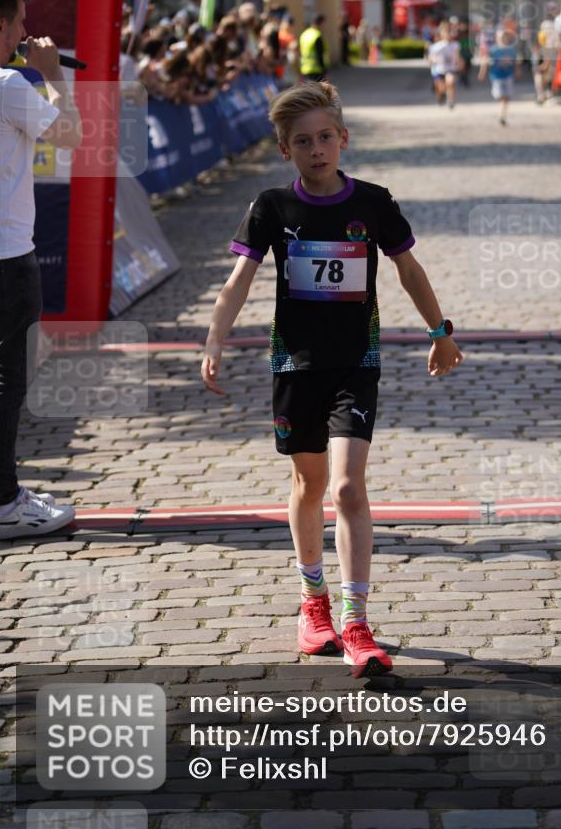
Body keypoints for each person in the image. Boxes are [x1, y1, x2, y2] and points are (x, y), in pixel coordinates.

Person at [200, 81, 462, 677]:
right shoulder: (271, 207)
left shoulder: (373, 202)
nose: (315, 149)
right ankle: (312, 600)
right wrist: (215, 338)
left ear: (343, 139)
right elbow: (239, 280)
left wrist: (439, 331)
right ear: (284, 149)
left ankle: (356, 620)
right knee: (308, 483)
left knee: (346, 488)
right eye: (302, 141)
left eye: (324, 138)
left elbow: (408, 268)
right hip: (294, 364)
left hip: (356, 363)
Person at [0, 0, 82, 538]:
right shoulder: (7, 84)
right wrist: (53, 77)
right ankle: (3, 499)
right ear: (1, 26)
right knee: (7, 379)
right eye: (21, 23)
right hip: (6, 255)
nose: (25, 33)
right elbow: (70, 136)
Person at [478, 27, 517, 126]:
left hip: (508, 76)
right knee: (499, 96)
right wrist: (482, 72)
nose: (503, 39)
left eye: (505, 37)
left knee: (506, 97)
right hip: (496, 76)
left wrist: (517, 71)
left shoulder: (511, 50)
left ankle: (502, 115)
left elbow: (515, 62)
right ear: (497, 38)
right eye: (501, 37)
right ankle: (502, 110)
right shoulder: (494, 50)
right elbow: (485, 61)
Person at [427, 22, 460, 109]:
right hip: (438, 69)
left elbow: (457, 56)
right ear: (441, 34)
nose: (448, 34)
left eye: (449, 32)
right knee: (441, 88)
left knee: (451, 81)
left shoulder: (455, 45)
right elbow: (430, 60)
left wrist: (458, 63)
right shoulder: (435, 46)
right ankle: (440, 96)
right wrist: (433, 61)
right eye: (446, 32)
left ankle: (451, 100)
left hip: (450, 68)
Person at [299, 14, 328, 82]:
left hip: (304, 69)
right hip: (316, 70)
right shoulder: (317, 36)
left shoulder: (304, 34)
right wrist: (324, 71)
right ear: (321, 23)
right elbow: (320, 54)